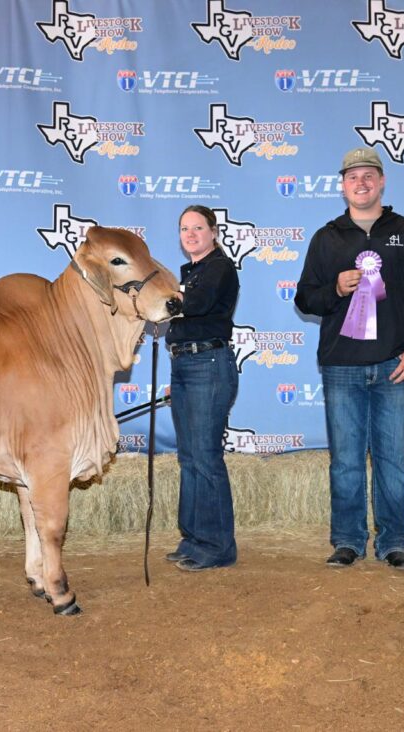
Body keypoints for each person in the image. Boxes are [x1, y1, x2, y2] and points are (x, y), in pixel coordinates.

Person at [294, 147, 404, 571]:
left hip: (397, 365)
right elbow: (305, 298)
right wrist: (336, 290)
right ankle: (347, 540)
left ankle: (395, 542)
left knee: (392, 458)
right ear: (342, 186)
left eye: (368, 176)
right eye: (352, 176)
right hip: (342, 365)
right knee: (345, 460)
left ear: (381, 182)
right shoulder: (326, 237)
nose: (360, 183)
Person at [165, 205, 240, 572]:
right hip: (184, 363)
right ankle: (194, 538)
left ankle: (217, 546)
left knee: (205, 456)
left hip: (207, 364)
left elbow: (197, 304)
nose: (190, 234)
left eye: (197, 228)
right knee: (189, 456)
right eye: (184, 229)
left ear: (213, 232)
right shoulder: (190, 272)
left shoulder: (219, 268)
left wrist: (160, 297)